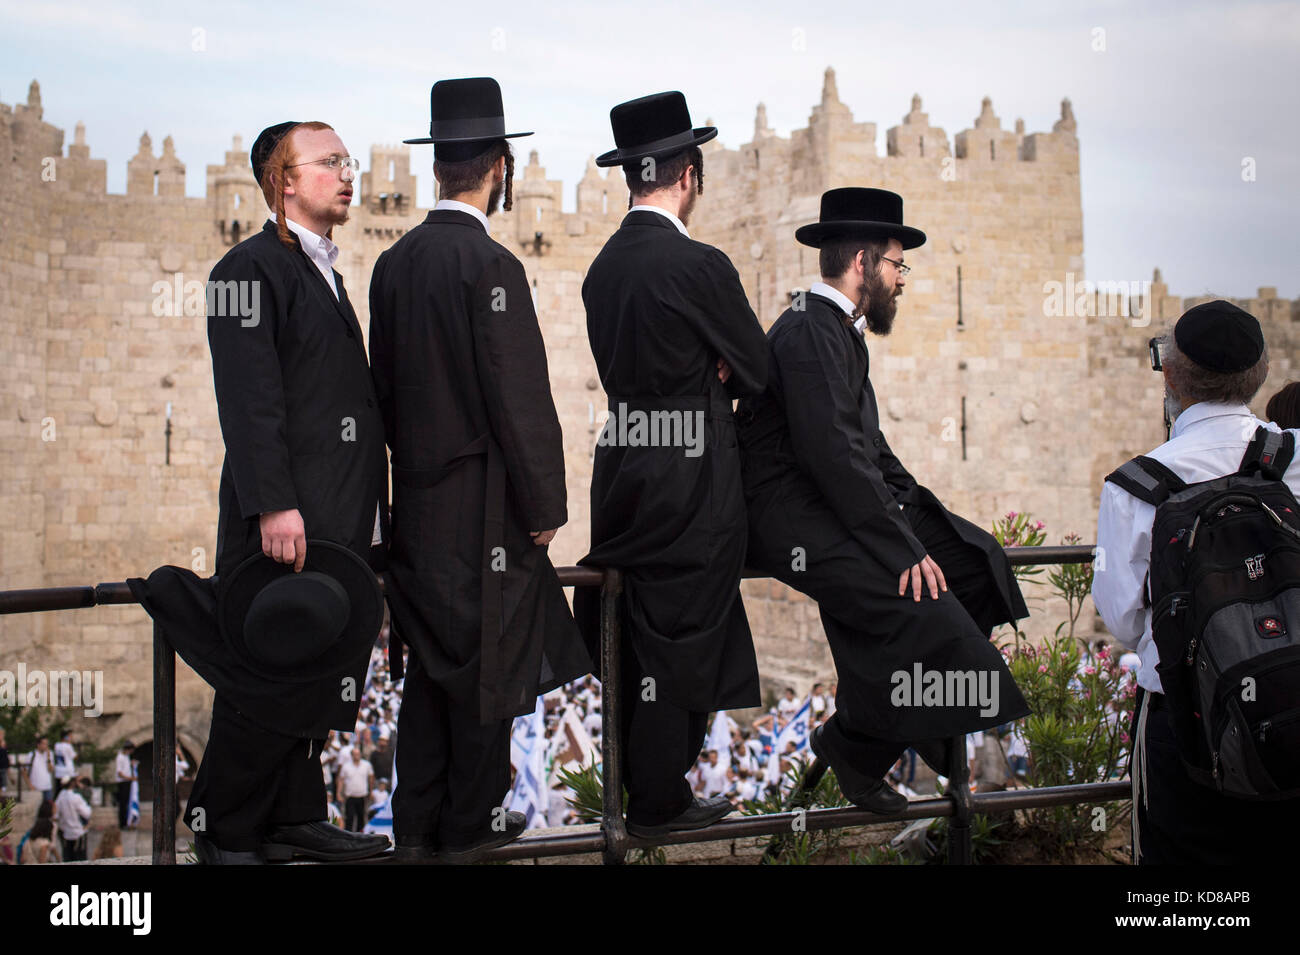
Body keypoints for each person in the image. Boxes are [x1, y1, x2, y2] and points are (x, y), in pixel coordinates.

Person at [128, 120, 391, 865]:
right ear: (283, 180)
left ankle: (292, 815)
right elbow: (250, 398)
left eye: (349, 159)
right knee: (272, 670)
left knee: (310, 667)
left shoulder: (321, 272)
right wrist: (274, 500)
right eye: (330, 162)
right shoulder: (248, 270)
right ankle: (224, 824)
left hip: (331, 517)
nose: (349, 172)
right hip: (286, 519)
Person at [736, 188, 1030, 812]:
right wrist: (900, 544)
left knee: (972, 563)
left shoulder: (840, 331)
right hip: (793, 516)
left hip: (829, 499)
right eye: (898, 265)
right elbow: (831, 453)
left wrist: (919, 511)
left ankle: (916, 724)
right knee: (919, 601)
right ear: (864, 261)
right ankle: (867, 744)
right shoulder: (809, 329)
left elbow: (868, 444)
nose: (903, 280)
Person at [370, 77, 590, 862]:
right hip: (485, 515)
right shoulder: (491, 266)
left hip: (419, 518)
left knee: (428, 684)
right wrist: (544, 505)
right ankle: (468, 833)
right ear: (500, 165)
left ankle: (415, 835)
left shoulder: (391, 268)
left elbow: (383, 399)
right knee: (488, 684)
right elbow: (520, 397)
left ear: (437, 167)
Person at [572, 91, 769, 839]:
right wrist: (715, 365)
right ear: (688, 173)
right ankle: (657, 798)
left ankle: (642, 790)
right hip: (692, 478)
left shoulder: (600, 270)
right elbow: (756, 369)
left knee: (638, 623)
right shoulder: (700, 265)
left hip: (622, 469)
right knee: (687, 628)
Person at [1093, 300, 1300, 864]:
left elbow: (1124, 618)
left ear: (1171, 372)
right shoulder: (1295, 459)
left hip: (1186, 724)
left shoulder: (1137, 485)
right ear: (1259, 374)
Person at [54, 775, 93, 861]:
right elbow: (87, 813)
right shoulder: (76, 797)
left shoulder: (60, 796)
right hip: (78, 832)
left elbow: (55, 814)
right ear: (72, 783)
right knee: (80, 858)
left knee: (68, 858)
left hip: (66, 832)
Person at [335, 747, 374, 833]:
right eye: (355, 754)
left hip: (362, 796)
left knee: (361, 818)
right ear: (352, 755)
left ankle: (360, 835)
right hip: (350, 796)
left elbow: (371, 778)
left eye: (358, 754)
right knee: (349, 817)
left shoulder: (366, 765)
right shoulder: (346, 766)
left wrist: (371, 791)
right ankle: (348, 835)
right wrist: (338, 793)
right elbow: (341, 780)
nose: (357, 756)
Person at [23, 736, 54, 804]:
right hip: (36, 788)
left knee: (48, 810)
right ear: (38, 744)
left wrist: (48, 758)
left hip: (47, 787)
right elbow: (24, 772)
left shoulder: (50, 754)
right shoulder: (31, 755)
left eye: (47, 744)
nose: (46, 746)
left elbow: (51, 770)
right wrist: (30, 785)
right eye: (44, 744)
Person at [112, 741, 135, 828]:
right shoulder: (120, 757)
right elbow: (120, 773)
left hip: (127, 781)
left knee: (126, 803)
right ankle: (122, 823)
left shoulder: (126, 757)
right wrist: (130, 778)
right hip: (123, 782)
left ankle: (126, 821)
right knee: (123, 803)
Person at [53, 730, 77, 797]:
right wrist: (69, 743)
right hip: (67, 771)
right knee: (68, 790)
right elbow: (74, 757)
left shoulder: (56, 745)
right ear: (66, 737)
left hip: (59, 771)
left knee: (59, 791)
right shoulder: (68, 746)